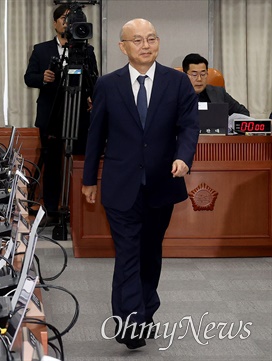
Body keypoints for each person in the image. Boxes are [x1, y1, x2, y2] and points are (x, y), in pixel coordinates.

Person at [81, 19, 199, 349]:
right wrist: (89, 179)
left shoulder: (177, 82)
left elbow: (190, 126)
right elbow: (96, 135)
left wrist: (184, 157)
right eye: (137, 40)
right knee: (128, 253)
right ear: (123, 47)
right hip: (121, 185)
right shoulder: (108, 84)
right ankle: (130, 325)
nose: (145, 45)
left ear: (158, 42)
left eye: (151, 38)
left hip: (162, 184)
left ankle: (146, 310)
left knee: (150, 254)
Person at [24, 4, 98, 223]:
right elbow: (29, 77)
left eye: (72, 18)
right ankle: (51, 210)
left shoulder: (87, 50)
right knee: (53, 164)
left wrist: (92, 96)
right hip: (52, 112)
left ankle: (78, 210)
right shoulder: (41, 49)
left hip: (80, 115)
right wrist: (42, 78)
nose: (68, 22)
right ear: (55, 23)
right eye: (64, 18)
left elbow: (95, 78)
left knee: (80, 162)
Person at [182, 53, 250, 116]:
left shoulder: (218, 92)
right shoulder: (176, 95)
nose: (199, 79)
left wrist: (227, 124)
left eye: (203, 74)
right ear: (184, 76)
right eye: (194, 74)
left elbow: (243, 113)